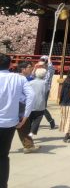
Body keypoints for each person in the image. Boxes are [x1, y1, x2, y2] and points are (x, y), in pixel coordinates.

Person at [0, 53, 34, 188]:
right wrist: (25, 117)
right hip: (9, 123)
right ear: (10, 65)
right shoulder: (18, 79)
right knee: (3, 156)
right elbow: (31, 95)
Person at [15, 61, 39, 154]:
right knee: (23, 125)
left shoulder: (23, 78)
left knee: (24, 126)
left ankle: (28, 146)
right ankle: (28, 146)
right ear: (23, 69)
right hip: (19, 106)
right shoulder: (21, 79)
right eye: (29, 67)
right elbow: (30, 95)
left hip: (17, 106)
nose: (31, 68)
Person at [34, 56, 56, 130]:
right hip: (36, 88)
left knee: (42, 107)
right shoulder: (38, 69)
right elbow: (32, 76)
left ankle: (51, 121)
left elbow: (51, 68)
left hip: (45, 90)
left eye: (43, 61)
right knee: (35, 105)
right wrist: (35, 67)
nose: (41, 63)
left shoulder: (49, 71)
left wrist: (49, 59)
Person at [29, 68, 49, 139]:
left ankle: (28, 133)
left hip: (31, 104)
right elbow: (46, 93)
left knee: (30, 119)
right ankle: (31, 132)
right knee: (37, 119)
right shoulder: (45, 84)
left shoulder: (30, 83)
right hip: (40, 104)